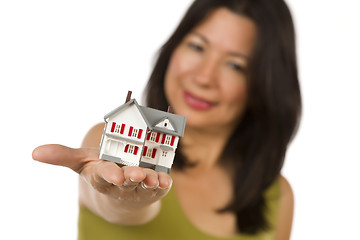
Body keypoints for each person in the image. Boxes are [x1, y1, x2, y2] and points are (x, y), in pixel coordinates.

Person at [32, 0, 301, 239]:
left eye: (235, 65)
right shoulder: (105, 140)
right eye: (197, 46)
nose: (204, 77)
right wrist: (126, 199)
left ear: (265, 86)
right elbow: (111, 202)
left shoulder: (278, 196)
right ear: (173, 49)